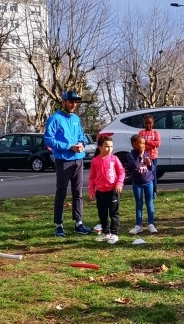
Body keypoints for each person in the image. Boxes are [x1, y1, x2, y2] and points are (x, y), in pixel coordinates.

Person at [44, 91, 93, 237]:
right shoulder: (55, 119)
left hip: (78, 159)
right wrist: (68, 146)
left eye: (75, 102)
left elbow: (81, 136)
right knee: (61, 193)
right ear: (63, 102)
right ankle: (59, 225)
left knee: (78, 193)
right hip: (63, 160)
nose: (73, 105)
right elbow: (48, 139)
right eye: (71, 102)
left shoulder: (76, 118)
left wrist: (81, 143)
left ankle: (79, 223)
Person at [88, 135, 125, 245]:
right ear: (100, 147)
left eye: (111, 146)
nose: (109, 149)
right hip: (100, 192)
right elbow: (92, 178)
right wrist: (91, 191)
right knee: (102, 213)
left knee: (114, 213)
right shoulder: (95, 161)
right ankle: (106, 232)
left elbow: (121, 172)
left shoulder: (114, 159)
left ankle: (114, 233)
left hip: (113, 191)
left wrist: (119, 183)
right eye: (107, 146)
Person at [124, 134, 157, 235]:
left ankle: (151, 224)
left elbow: (153, 170)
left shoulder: (147, 153)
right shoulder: (130, 155)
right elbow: (133, 166)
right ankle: (139, 225)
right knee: (139, 203)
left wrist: (150, 164)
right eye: (140, 143)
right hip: (137, 183)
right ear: (134, 144)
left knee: (149, 202)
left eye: (144, 143)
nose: (143, 145)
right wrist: (140, 156)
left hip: (148, 181)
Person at [138, 115, 161, 196]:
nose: (148, 125)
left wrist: (147, 142)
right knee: (144, 174)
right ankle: (145, 190)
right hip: (144, 156)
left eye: (150, 123)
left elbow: (157, 143)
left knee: (153, 174)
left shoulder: (155, 133)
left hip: (153, 157)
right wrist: (151, 145)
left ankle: (154, 191)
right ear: (143, 123)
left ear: (153, 123)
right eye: (146, 123)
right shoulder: (141, 133)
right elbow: (140, 145)